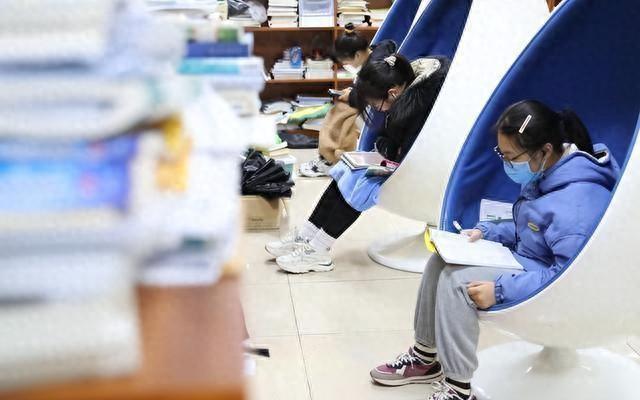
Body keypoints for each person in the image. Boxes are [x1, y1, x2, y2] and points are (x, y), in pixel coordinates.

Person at [369, 100, 620, 400]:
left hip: (553, 282)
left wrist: (499, 291)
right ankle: (425, 358)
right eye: (502, 154)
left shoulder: (576, 204)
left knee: (457, 282)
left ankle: (459, 388)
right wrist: (488, 232)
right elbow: (534, 231)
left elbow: (570, 278)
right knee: (439, 261)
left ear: (545, 151)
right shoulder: (549, 173)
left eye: (511, 157)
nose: (507, 164)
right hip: (533, 263)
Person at [267, 52, 451, 273]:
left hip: (420, 170)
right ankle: (307, 235)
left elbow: (413, 150)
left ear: (392, 92)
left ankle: (319, 250)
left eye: (374, 103)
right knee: (344, 170)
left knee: (361, 183)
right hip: (398, 160)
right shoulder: (406, 90)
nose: (375, 108)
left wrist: (384, 154)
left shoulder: (419, 105)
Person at [299, 23, 398, 178]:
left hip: (379, 107)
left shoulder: (375, 66)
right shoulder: (374, 54)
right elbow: (362, 86)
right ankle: (329, 157)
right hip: (370, 103)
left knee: (341, 116)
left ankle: (331, 160)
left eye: (347, 63)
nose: (347, 66)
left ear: (357, 55)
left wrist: (351, 95)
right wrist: (351, 91)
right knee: (338, 112)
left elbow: (372, 92)